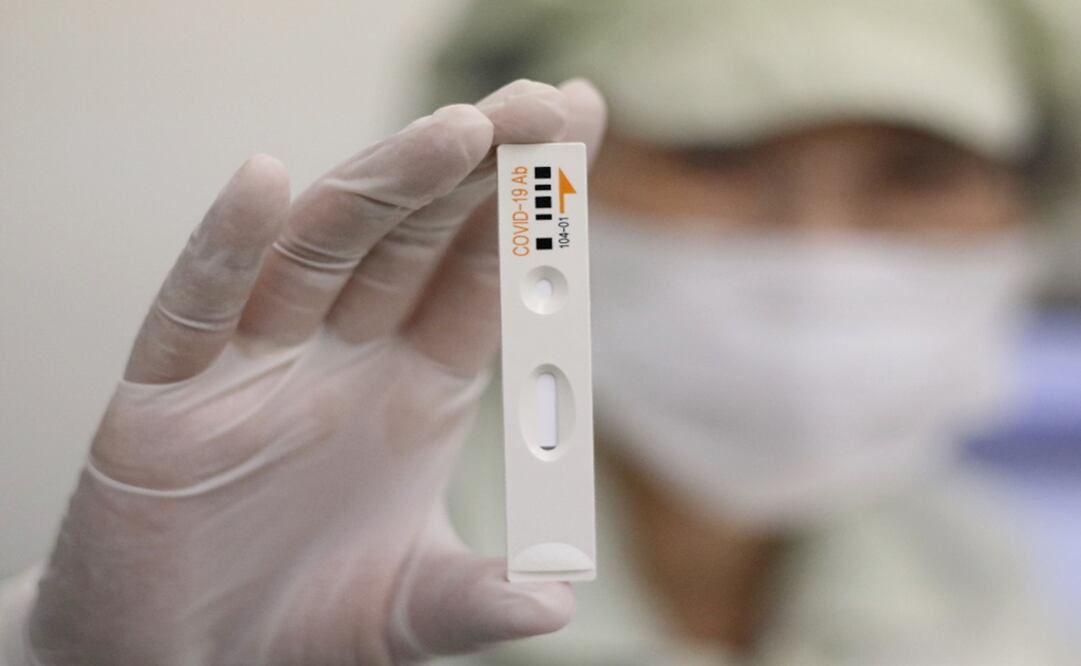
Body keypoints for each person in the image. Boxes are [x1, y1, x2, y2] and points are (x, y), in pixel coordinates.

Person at [0, 1, 1077, 664]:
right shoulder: (307, 546)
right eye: (712, 154)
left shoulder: (973, 572)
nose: (815, 253)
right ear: (547, 194)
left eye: (917, 172)